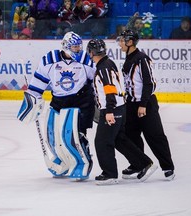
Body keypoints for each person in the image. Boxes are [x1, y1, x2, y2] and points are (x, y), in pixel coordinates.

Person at [17, 32, 95, 180]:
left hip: (80, 102)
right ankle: (63, 158)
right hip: (58, 101)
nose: (78, 50)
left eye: (79, 47)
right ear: (65, 47)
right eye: (74, 47)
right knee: (52, 135)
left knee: (72, 136)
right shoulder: (50, 59)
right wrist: (33, 100)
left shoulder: (86, 60)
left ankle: (82, 163)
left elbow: (94, 81)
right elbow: (39, 81)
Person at [86, 39, 157, 185]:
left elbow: (110, 90)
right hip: (120, 107)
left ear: (91, 53)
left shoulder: (103, 67)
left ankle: (110, 174)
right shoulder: (108, 63)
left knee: (102, 141)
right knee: (119, 140)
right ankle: (144, 163)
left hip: (112, 109)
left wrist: (109, 111)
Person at [116, 29, 175, 180]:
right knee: (131, 135)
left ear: (130, 42)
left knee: (155, 135)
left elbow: (150, 84)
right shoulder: (128, 59)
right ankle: (138, 164)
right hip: (131, 104)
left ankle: (168, 166)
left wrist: (143, 104)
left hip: (146, 104)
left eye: (123, 40)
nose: (120, 43)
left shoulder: (142, 59)